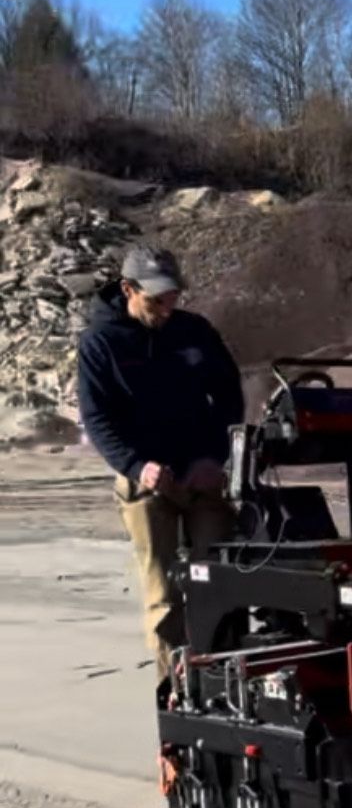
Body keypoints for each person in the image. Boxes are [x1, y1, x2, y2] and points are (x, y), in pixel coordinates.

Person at [77, 245, 244, 687]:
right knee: (164, 596)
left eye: (173, 298)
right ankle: (176, 691)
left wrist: (214, 457)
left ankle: (224, 680)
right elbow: (97, 418)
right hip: (147, 483)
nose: (167, 309)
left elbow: (229, 396)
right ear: (128, 290)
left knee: (220, 581)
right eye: (156, 300)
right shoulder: (100, 342)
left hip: (202, 475)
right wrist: (137, 466)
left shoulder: (194, 331)